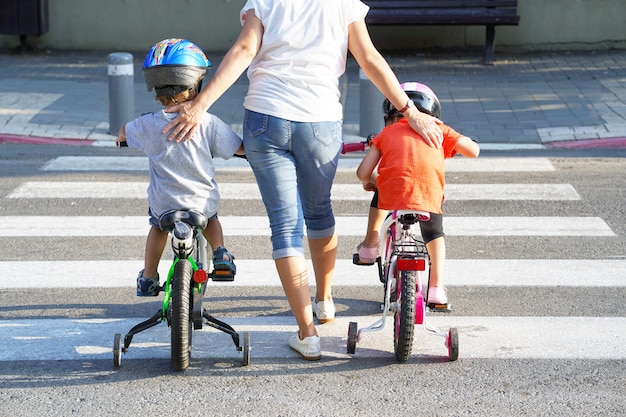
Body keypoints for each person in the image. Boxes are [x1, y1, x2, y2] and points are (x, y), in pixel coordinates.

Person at [161, 1, 443, 361]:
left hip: (266, 118)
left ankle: (307, 334)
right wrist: (409, 111)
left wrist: (200, 104)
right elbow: (369, 58)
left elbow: (245, 49)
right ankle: (324, 301)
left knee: (285, 226)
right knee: (319, 210)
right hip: (320, 122)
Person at [115, 38, 243, 296]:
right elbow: (237, 147)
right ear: (196, 83)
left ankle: (148, 277)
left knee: (157, 228)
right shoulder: (208, 122)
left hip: (165, 205)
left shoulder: (148, 125)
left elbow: (122, 133)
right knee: (211, 220)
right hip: (200, 203)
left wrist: (122, 139)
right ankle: (220, 254)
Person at [356, 82, 480, 309]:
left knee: (381, 191)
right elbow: (473, 152)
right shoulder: (440, 129)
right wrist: (466, 141)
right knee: (434, 233)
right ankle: (436, 288)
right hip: (428, 197)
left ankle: (370, 246)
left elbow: (362, 173)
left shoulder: (385, 134)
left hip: (392, 194)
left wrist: (372, 181)